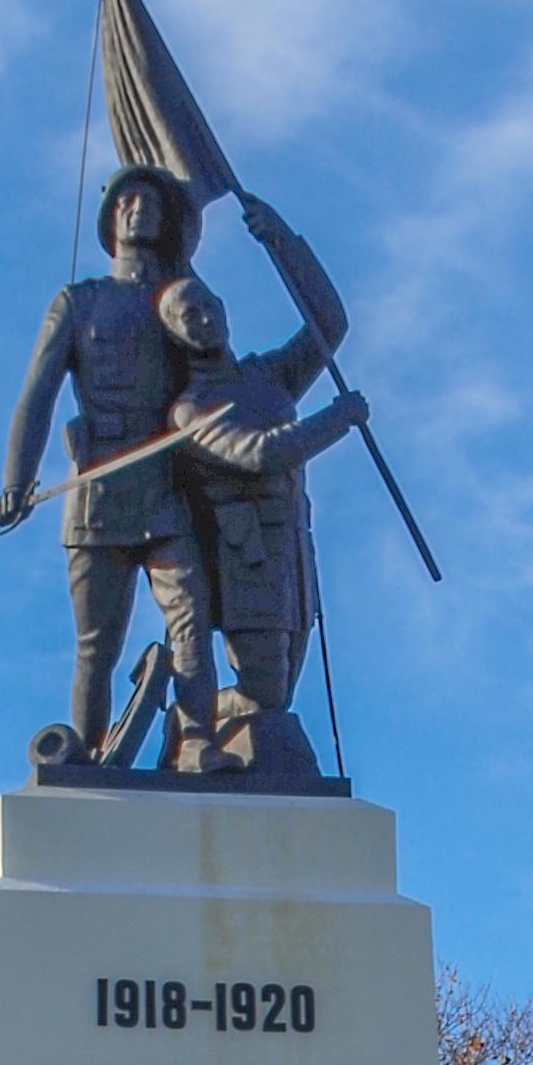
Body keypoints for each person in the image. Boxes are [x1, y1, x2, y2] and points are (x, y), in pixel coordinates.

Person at [0, 164, 213, 763]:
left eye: (151, 201)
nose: (139, 208)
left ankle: (199, 740)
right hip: (98, 493)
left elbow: (218, 380)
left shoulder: (181, 304)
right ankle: (86, 758)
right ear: (111, 218)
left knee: (191, 617)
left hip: (166, 491)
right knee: (97, 648)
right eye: (127, 200)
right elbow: (37, 394)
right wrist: (16, 482)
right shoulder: (78, 301)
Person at [158, 205, 367, 778]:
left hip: (294, 551)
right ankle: (190, 717)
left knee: (279, 697)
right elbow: (260, 455)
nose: (200, 318)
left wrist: (282, 242)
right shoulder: (190, 407)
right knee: (266, 696)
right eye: (185, 315)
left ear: (223, 310)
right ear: (174, 334)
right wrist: (335, 420)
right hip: (244, 554)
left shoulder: (266, 376)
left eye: (206, 305)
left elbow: (329, 324)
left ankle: (203, 721)